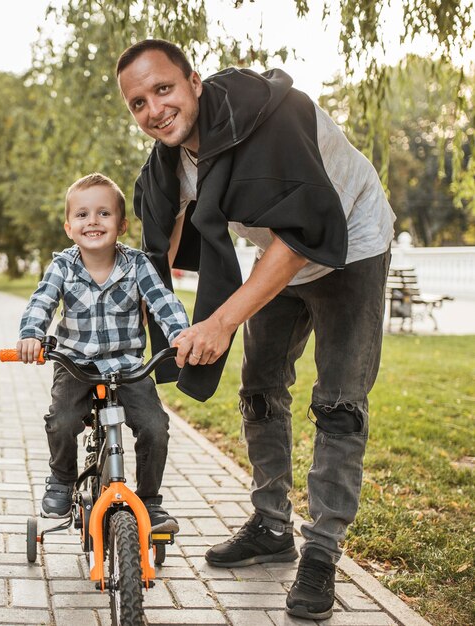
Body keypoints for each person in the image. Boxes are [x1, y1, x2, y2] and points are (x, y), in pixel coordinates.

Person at [116, 39, 395, 620]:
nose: (153, 110)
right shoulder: (171, 158)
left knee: (339, 402)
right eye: (138, 103)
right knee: (260, 391)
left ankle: (321, 552)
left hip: (351, 245)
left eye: (162, 89)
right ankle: (271, 525)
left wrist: (220, 321)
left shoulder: (271, 121)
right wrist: (136, 318)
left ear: (194, 80)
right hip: (278, 253)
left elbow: (301, 236)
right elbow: (158, 240)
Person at [17, 172, 189, 533]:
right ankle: (62, 480)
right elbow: (41, 302)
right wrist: (32, 335)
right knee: (62, 420)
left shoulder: (137, 264)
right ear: (68, 227)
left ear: (122, 224)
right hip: (75, 364)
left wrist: (180, 335)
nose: (92, 221)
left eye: (103, 213)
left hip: (126, 367)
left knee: (155, 427)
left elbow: (164, 303)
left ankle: (150, 501)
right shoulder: (63, 265)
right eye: (82, 215)